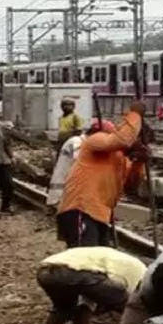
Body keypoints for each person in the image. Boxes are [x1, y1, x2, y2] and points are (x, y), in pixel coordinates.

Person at [56, 103, 149, 247]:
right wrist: (135, 114)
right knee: (86, 259)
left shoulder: (121, 160)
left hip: (100, 213)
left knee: (98, 258)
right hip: (81, 208)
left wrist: (139, 162)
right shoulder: (95, 141)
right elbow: (122, 139)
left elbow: (131, 187)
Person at [37, 246, 146, 324]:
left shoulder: (107, 267)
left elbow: (84, 312)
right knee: (129, 312)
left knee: (60, 311)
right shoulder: (141, 276)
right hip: (75, 272)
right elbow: (132, 311)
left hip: (46, 272)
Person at [47, 119, 112, 213]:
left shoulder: (81, 142)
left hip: (68, 194)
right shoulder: (77, 143)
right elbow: (83, 165)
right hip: (65, 194)